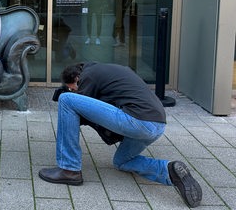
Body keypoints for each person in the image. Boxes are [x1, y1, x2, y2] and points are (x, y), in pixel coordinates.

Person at [39, 62, 203, 208]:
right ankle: (169, 171)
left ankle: (69, 169)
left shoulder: (87, 76)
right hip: (157, 125)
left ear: (76, 78)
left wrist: (66, 94)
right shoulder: (105, 71)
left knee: (67, 100)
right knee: (122, 161)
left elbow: (79, 109)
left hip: (138, 121)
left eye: (72, 87)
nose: (73, 89)